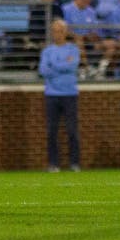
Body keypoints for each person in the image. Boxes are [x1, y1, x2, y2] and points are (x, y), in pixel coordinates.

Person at [39, 19, 81, 172]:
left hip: (70, 94)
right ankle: (53, 164)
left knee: (72, 130)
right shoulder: (47, 51)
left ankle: (74, 163)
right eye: (55, 31)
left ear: (66, 32)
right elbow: (43, 71)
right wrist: (62, 66)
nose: (58, 34)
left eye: (61, 31)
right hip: (51, 95)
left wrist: (54, 66)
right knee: (51, 131)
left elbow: (72, 66)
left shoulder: (73, 49)